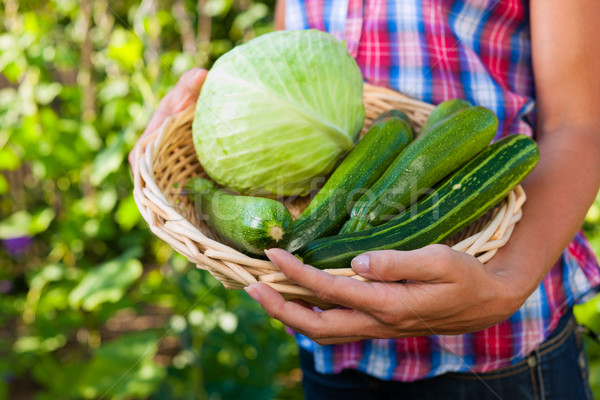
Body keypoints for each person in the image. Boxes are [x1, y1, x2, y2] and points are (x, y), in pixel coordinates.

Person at [130, 0, 600, 398]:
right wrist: (208, 112)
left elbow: (578, 126)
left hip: (499, 351)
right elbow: (285, 58)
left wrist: (507, 283)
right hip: (333, 349)